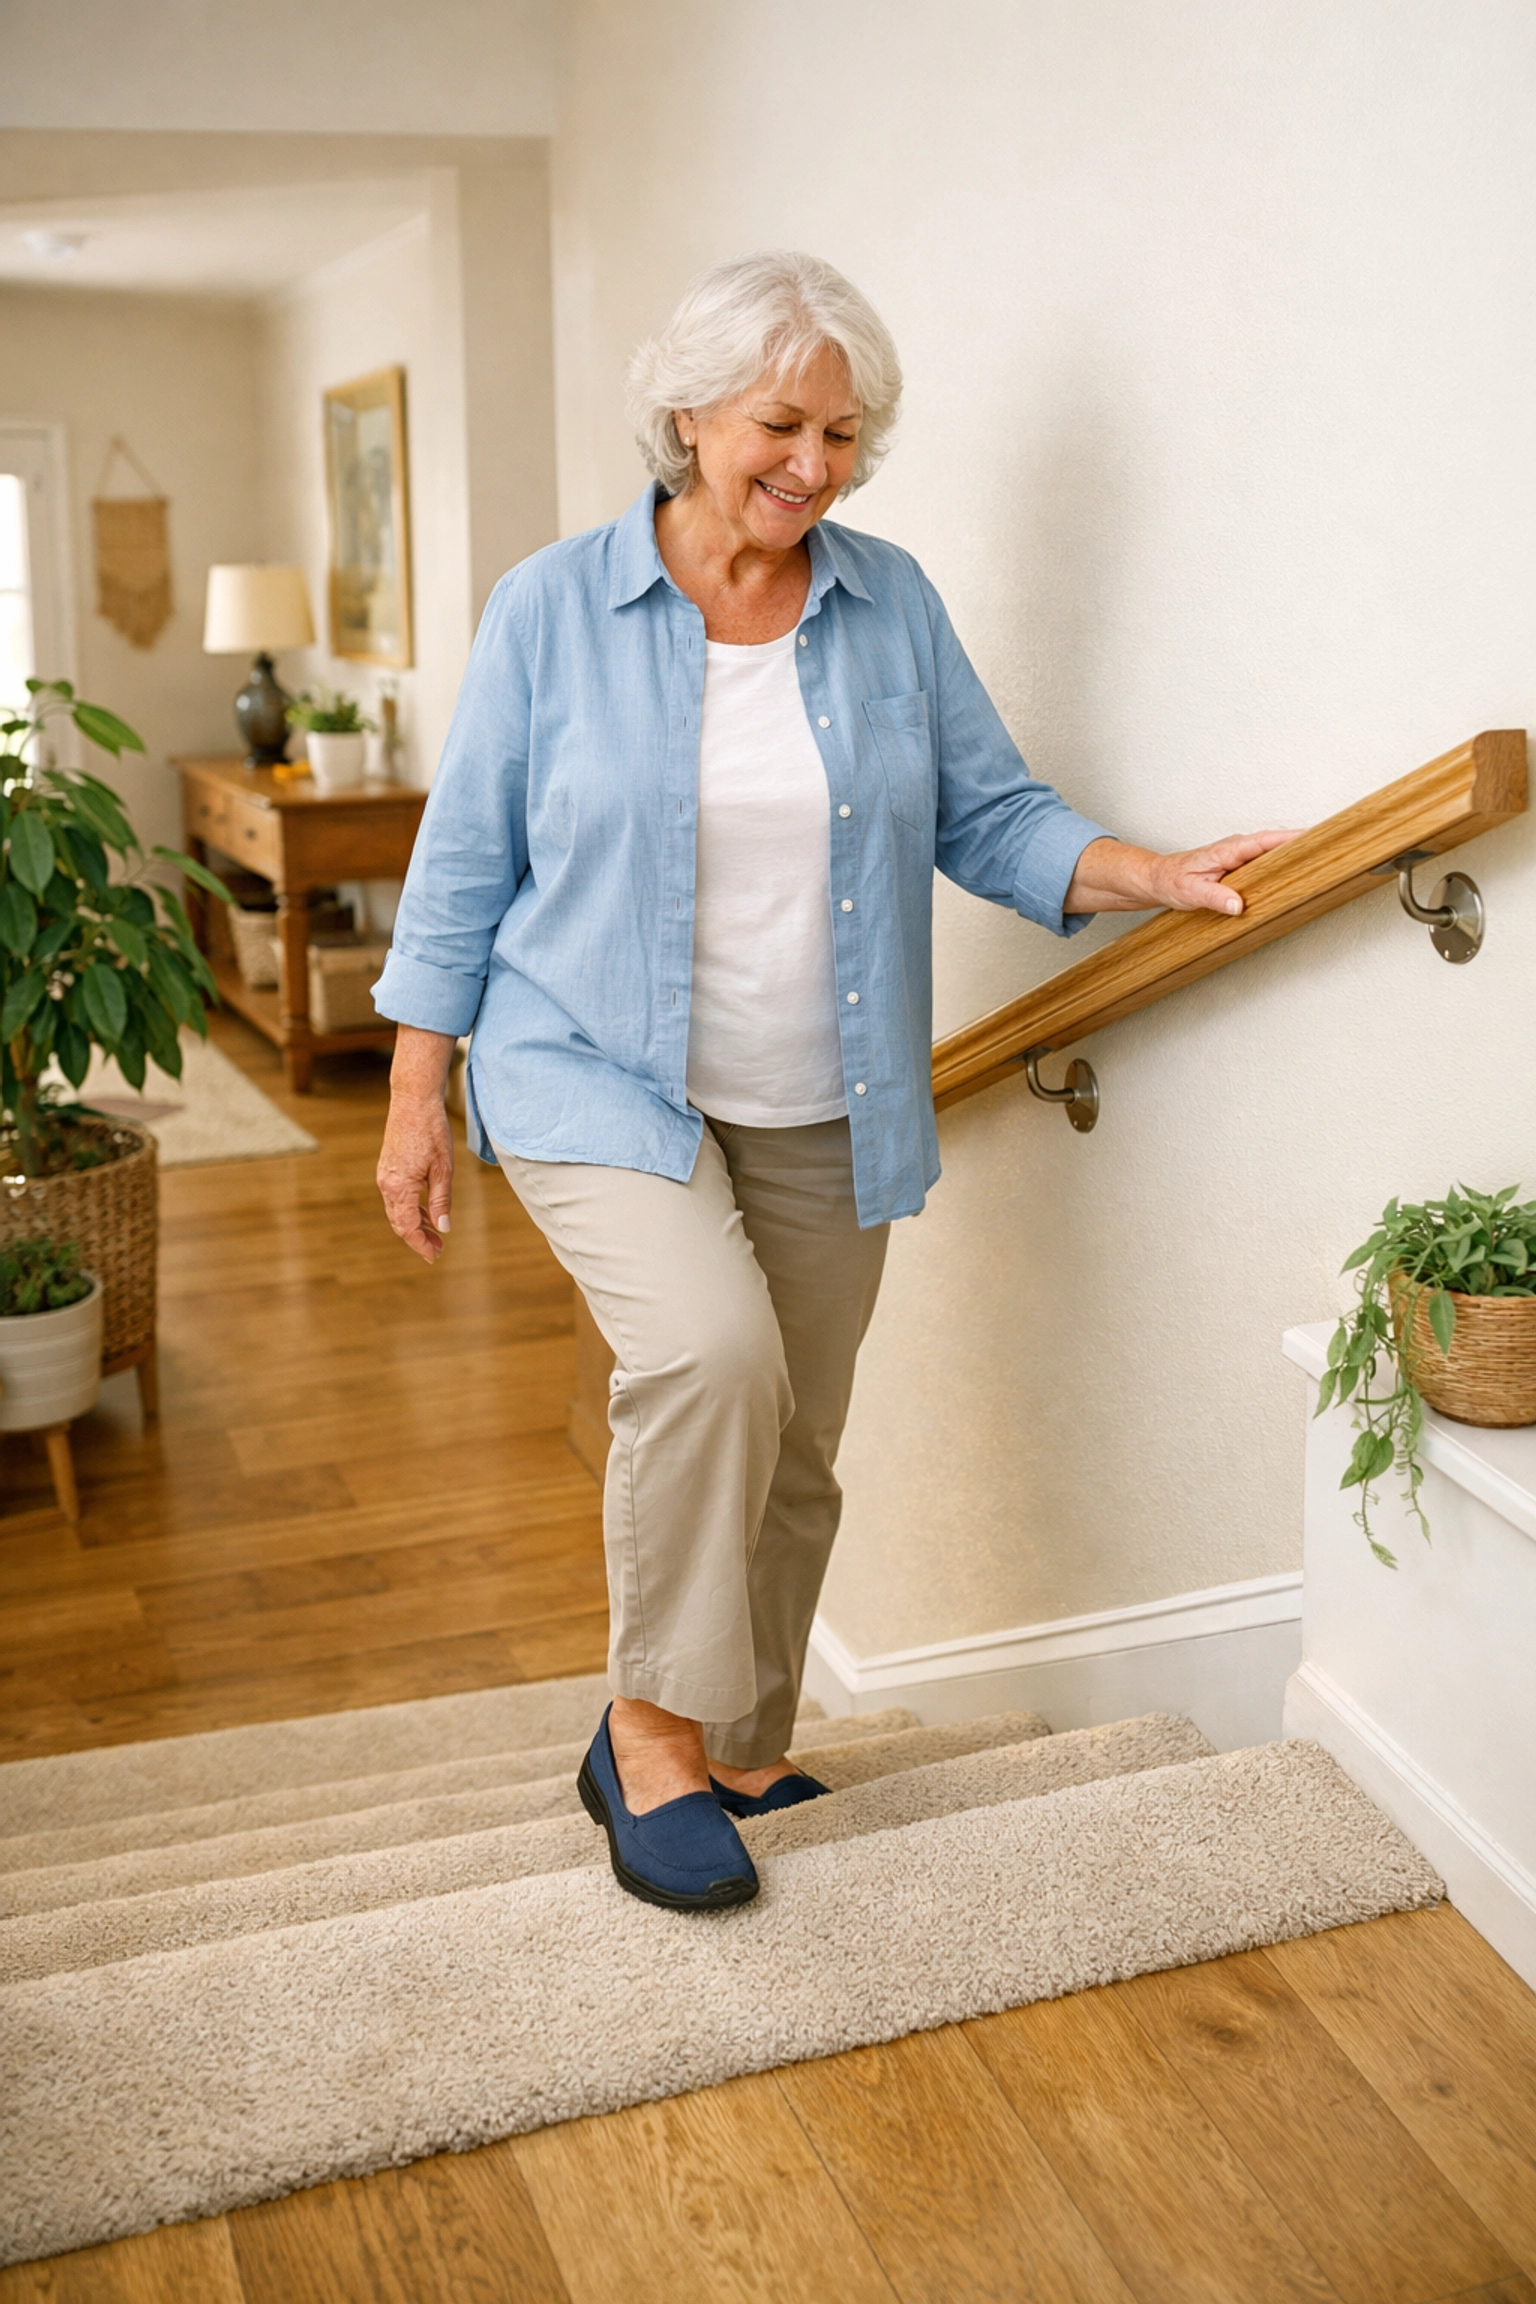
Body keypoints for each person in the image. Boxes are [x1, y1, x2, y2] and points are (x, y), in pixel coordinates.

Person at [374, 250, 1289, 1912]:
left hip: (821, 1086)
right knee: (709, 1357)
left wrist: (1146, 872)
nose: (814, 465)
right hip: (594, 1065)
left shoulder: (888, 604)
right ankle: (648, 1738)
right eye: (780, 425)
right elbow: (462, 867)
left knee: (797, 1436)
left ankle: (738, 1746)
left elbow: (988, 812)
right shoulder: (552, 610)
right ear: (689, 417)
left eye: (845, 434)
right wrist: (414, 1097)